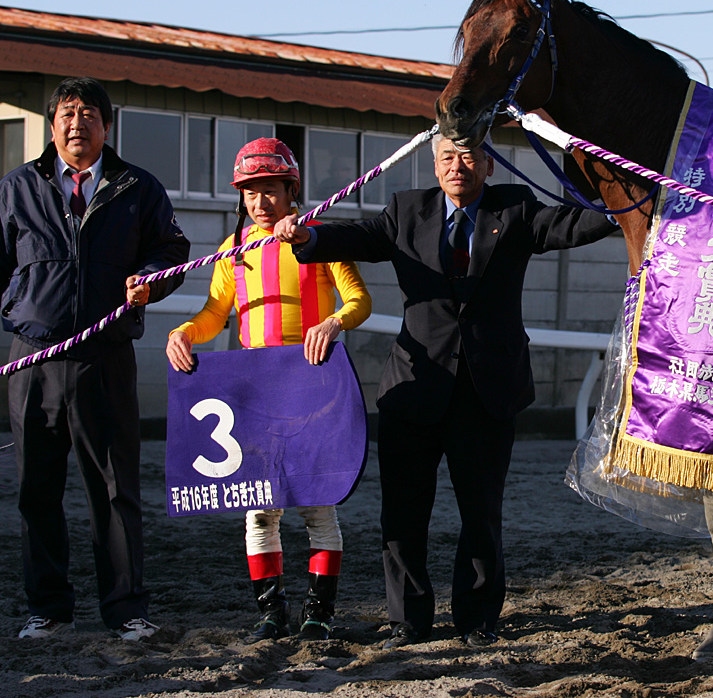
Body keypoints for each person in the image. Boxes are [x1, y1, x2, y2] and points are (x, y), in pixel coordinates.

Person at [273, 133, 615, 648]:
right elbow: (358, 238)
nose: (459, 166)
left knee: (481, 513)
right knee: (402, 515)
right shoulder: (406, 210)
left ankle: (477, 621)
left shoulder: (516, 209)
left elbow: (574, 224)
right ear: (434, 166)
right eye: (448, 157)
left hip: (488, 390)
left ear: (489, 165)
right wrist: (306, 240)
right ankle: (407, 621)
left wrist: (625, 203)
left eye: (470, 156)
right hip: (414, 388)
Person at [3, 77, 190, 641]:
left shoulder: (137, 187)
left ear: (107, 126)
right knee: (37, 489)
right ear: (52, 123)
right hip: (34, 360)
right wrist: (16, 306)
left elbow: (173, 251)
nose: (76, 122)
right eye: (66, 112)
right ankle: (49, 610)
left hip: (106, 359)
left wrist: (149, 285)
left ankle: (126, 610)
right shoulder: (17, 188)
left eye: (88, 113)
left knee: (113, 490)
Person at [165, 138, 371, 641]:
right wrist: (183, 334)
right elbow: (216, 313)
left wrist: (334, 324)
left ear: (290, 190)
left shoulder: (318, 239)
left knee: (318, 505)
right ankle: (271, 612)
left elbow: (358, 300)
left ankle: (318, 613)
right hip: (255, 398)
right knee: (260, 512)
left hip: (312, 391)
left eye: (270, 190)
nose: (260, 202)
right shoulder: (232, 251)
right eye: (251, 192)